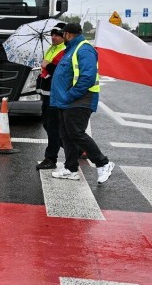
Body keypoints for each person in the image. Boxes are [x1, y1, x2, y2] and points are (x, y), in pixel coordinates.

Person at [49, 22, 114, 184]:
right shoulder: (71, 50)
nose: (62, 36)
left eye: (63, 34)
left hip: (80, 99)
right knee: (66, 135)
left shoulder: (84, 49)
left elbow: (88, 77)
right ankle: (71, 168)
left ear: (68, 35)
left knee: (76, 133)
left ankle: (103, 163)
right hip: (67, 100)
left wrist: (71, 95)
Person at [35, 23, 67, 170]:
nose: (53, 37)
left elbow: (61, 72)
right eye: (52, 34)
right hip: (47, 93)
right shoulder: (51, 48)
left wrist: (47, 65)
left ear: (64, 36)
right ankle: (75, 149)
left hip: (55, 95)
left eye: (57, 35)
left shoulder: (65, 50)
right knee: (48, 125)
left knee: (53, 127)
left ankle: (50, 158)